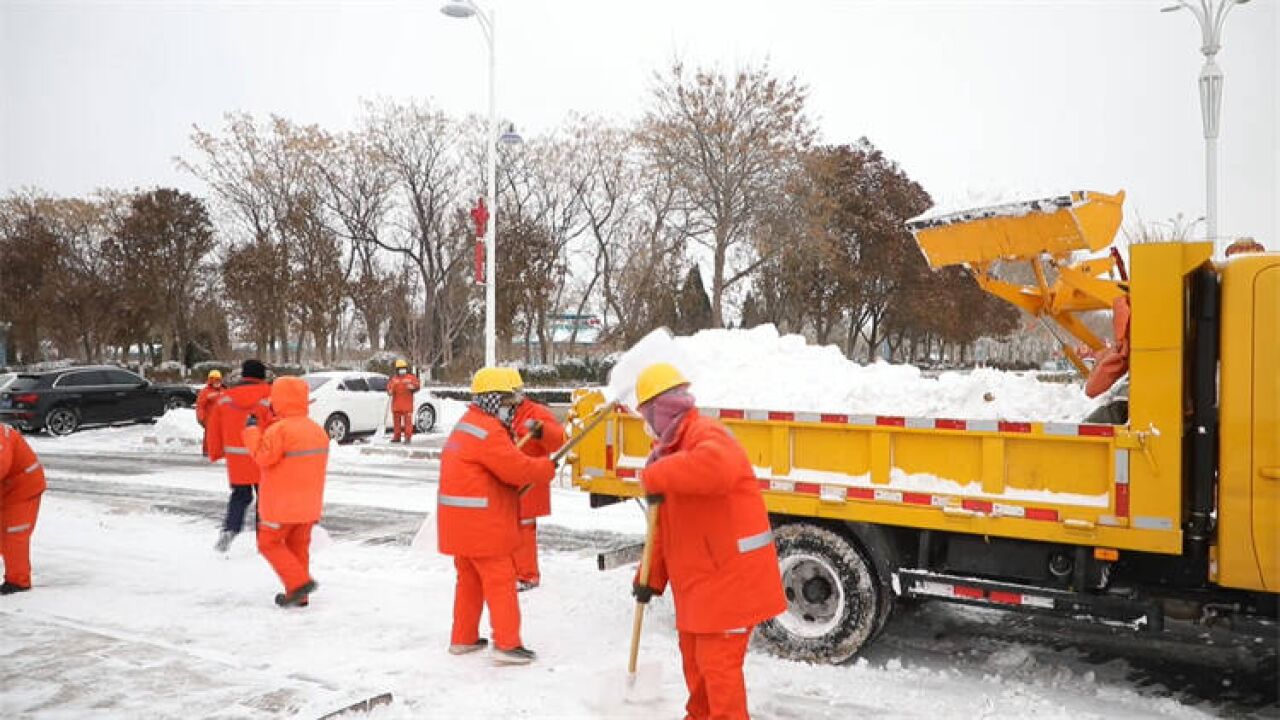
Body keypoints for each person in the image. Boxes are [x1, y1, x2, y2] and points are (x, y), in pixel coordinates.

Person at [630, 363, 786, 720]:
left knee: (719, 673)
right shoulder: (668, 452)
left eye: (645, 414)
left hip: (730, 583)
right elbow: (663, 529)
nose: (645, 424)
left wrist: (656, 474)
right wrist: (648, 578)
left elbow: (717, 469)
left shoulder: (706, 434)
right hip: (699, 586)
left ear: (661, 409)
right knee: (696, 665)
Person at [437, 366, 556, 665]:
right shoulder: (488, 431)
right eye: (507, 403)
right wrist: (546, 468)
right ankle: (507, 643)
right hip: (481, 524)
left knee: (469, 580)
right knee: (500, 581)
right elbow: (516, 469)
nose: (511, 410)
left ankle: (463, 638)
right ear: (493, 400)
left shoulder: (468, 423)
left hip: (460, 522)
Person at [243, 376, 329, 607]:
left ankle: (299, 583)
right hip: (309, 505)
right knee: (298, 547)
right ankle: (299, 596)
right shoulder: (317, 430)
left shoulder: (278, 431)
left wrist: (251, 431)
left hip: (281, 505)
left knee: (268, 543)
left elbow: (262, 456)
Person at [205, 359, 272, 553]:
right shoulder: (270, 395)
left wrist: (215, 452)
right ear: (261, 375)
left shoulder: (225, 397)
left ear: (243, 375)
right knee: (265, 498)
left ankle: (230, 529)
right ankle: (264, 538)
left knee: (240, 496)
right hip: (262, 456)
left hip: (237, 459)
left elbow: (213, 428)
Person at [508, 368, 565, 591]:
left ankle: (527, 575)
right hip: (506, 479)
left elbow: (559, 439)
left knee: (524, 528)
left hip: (528, 481)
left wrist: (541, 432)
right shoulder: (496, 415)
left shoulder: (535, 412)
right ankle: (510, 572)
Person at [0, 423, 46, 594]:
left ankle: (18, 582)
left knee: (13, 533)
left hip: (24, 489)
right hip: (6, 489)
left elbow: (1, 464)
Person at [386, 359, 420, 444]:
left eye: (403, 368)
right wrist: (389, 391)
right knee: (396, 423)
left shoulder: (411, 378)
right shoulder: (393, 379)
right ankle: (396, 437)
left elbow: (417, 386)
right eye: (400, 368)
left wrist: (413, 388)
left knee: (408, 423)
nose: (402, 370)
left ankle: (407, 438)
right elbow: (389, 389)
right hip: (396, 405)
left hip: (407, 405)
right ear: (397, 370)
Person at [195, 369, 225, 458]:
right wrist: (201, 418)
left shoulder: (224, 390)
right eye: (214, 380)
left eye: (218, 380)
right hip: (209, 420)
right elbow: (200, 406)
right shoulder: (205, 392)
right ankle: (207, 453)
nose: (217, 382)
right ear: (210, 380)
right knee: (209, 437)